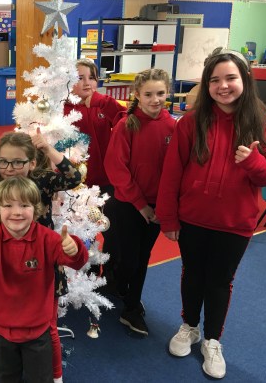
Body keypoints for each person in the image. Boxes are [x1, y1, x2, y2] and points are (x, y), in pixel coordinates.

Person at [156, 48, 266, 379]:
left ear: (245, 79)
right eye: (214, 80)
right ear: (207, 85)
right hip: (193, 219)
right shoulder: (191, 123)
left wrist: (253, 162)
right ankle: (189, 326)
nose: (223, 86)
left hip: (234, 223)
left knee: (219, 282)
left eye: (230, 78)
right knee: (192, 275)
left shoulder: (262, 125)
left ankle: (212, 340)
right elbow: (171, 174)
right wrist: (168, 218)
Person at [0, 124, 82, 383]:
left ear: (32, 163)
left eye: (18, 162)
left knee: (48, 328)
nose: (10, 168)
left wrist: (47, 148)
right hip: (6, 256)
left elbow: (74, 178)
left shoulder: (42, 180)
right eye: (3, 161)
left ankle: (55, 375)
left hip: (43, 258)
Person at [103, 68, 175, 336]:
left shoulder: (173, 126)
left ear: (167, 92)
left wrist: (164, 206)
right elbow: (117, 169)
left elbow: (175, 170)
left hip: (157, 207)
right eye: (149, 94)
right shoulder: (127, 125)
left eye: (161, 93)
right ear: (137, 95)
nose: (155, 100)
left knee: (142, 258)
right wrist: (140, 204)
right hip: (128, 205)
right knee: (130, 260)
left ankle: (131, 307)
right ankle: (117, 282)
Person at [64, 58, 126, 297]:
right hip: (75, 184)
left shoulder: (104, 103)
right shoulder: (65, 108)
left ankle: (110, 275)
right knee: (81, 230)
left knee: (111, 229)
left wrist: (103, 104)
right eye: (80, 78)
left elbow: (125, 121)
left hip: (105, 181)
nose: (87, 82)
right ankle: (85, 272)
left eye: (92, 77)